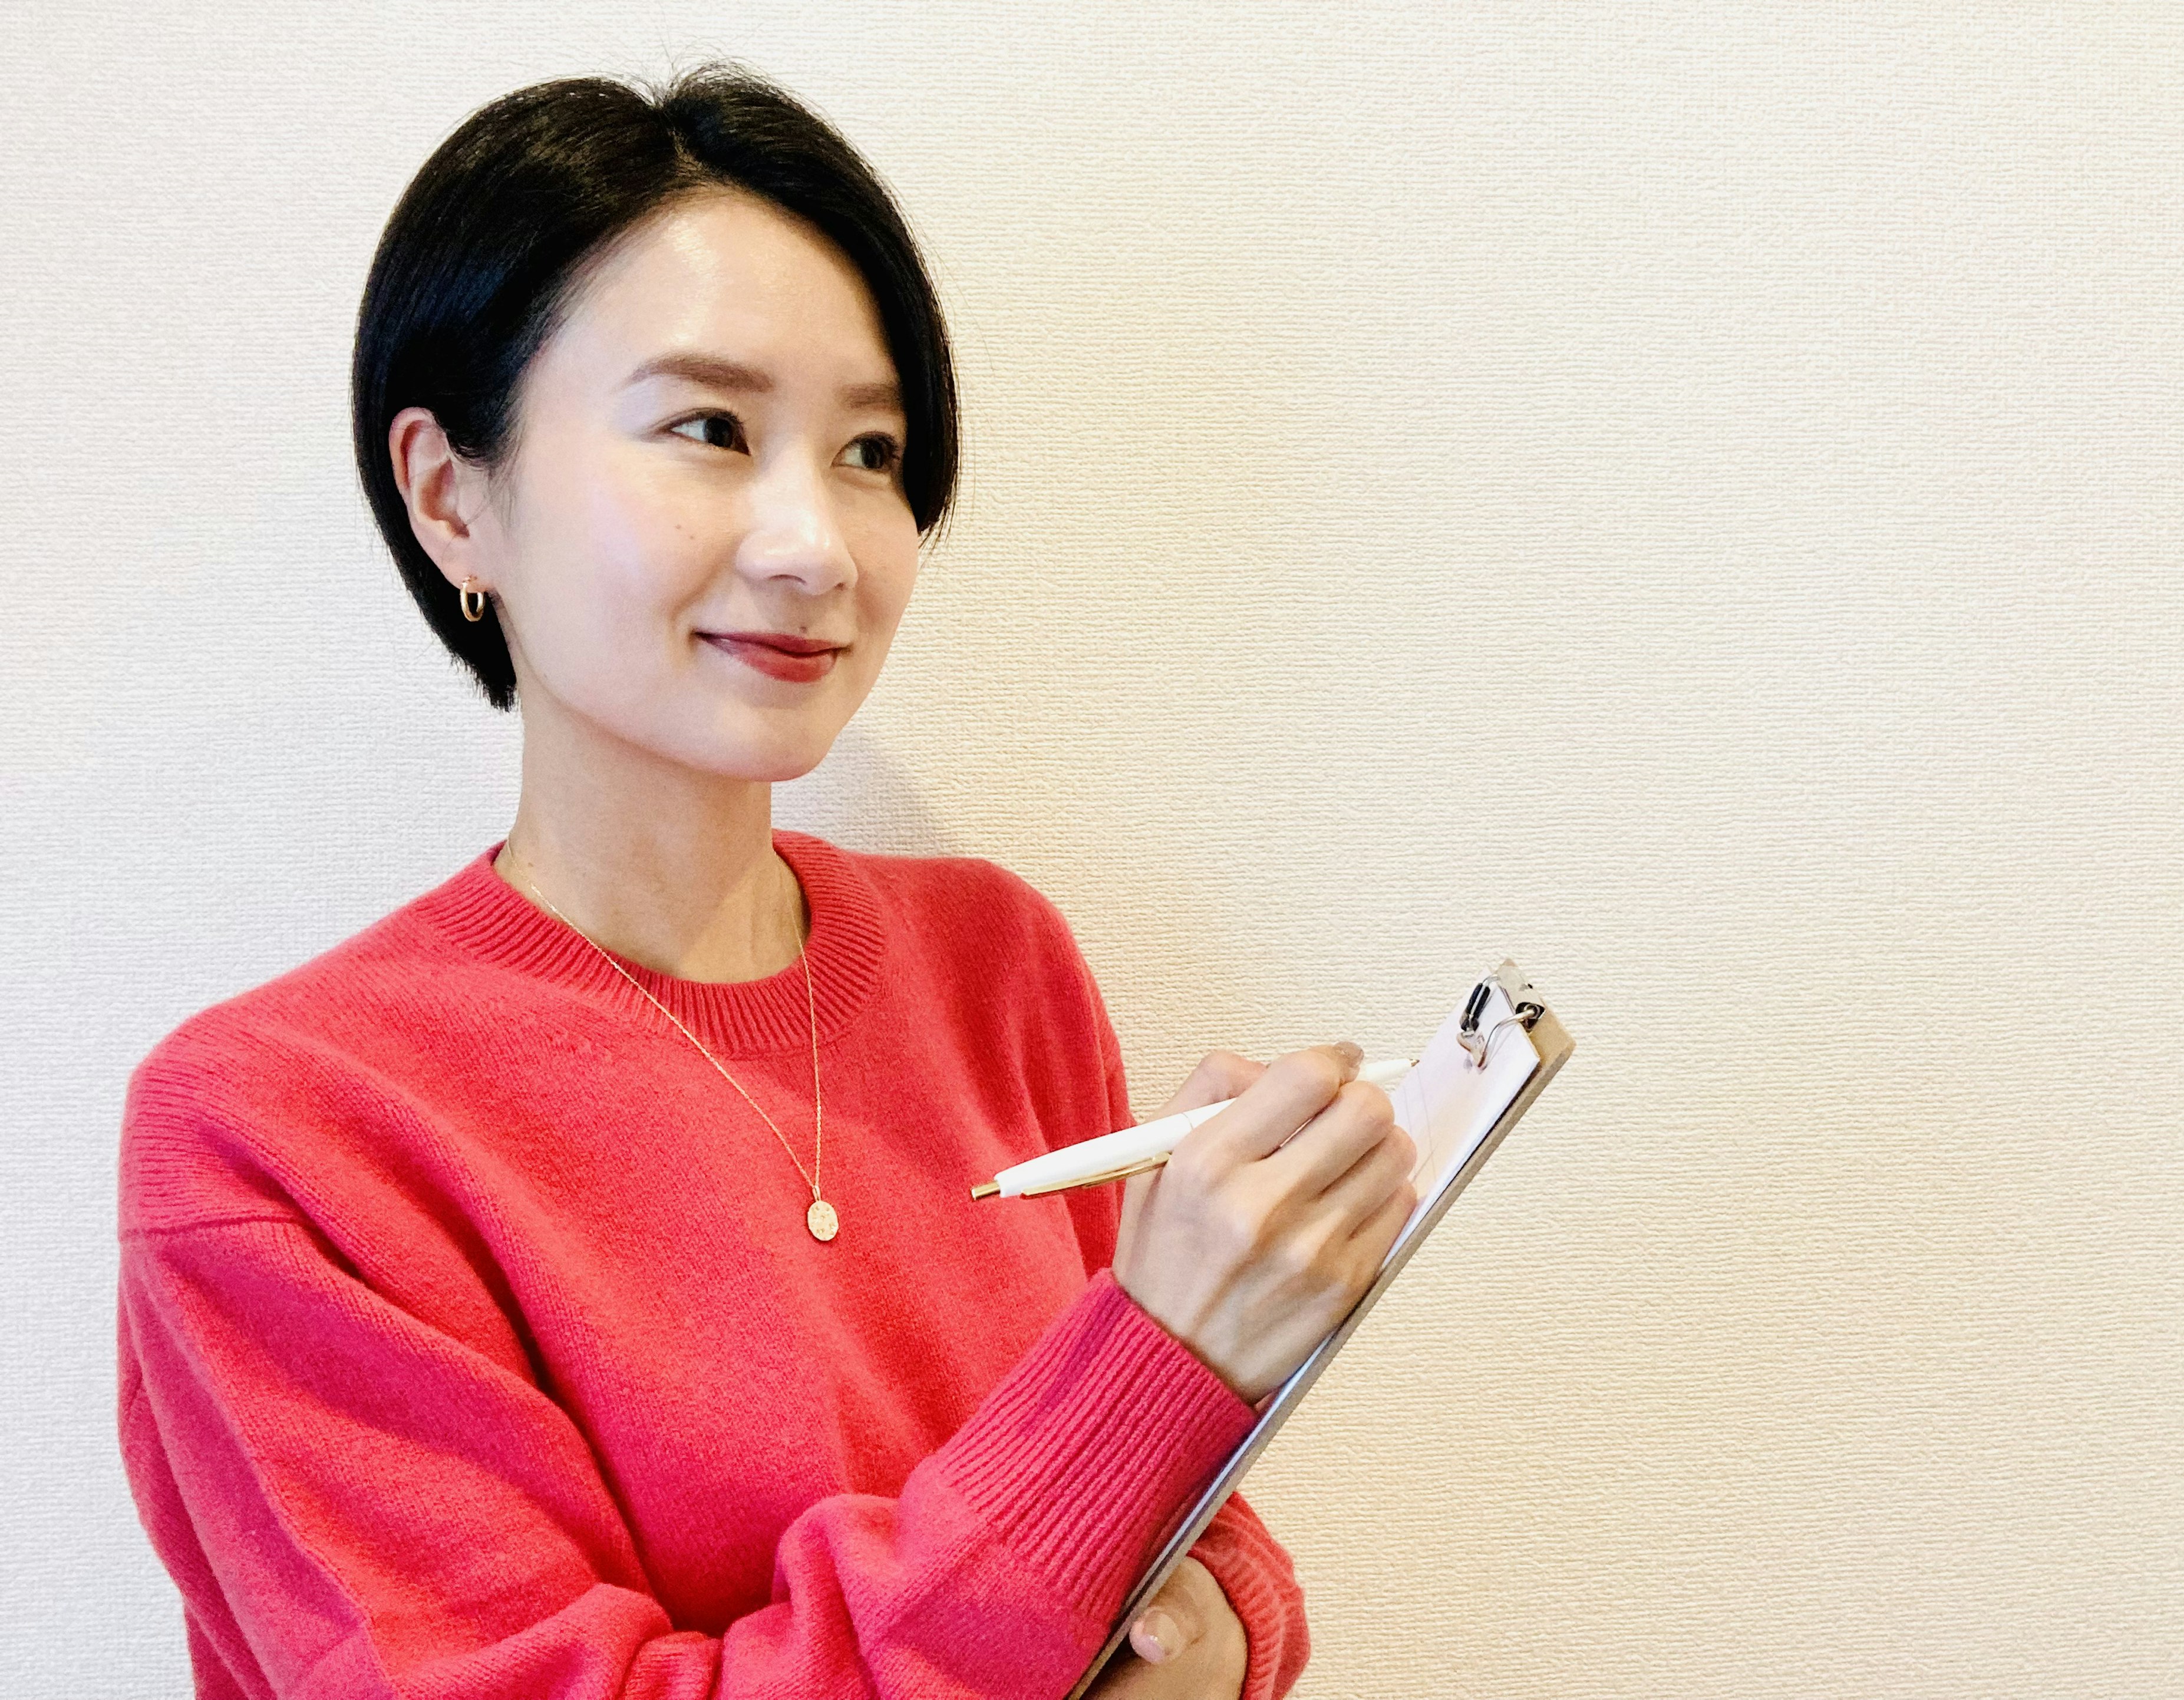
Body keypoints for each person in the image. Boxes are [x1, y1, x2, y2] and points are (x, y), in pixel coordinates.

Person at [115, 65, 1419, 1700]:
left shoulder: (992, 963)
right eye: (712, 429)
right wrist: (1163, 1364)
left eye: (871, 450)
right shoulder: (278, 1131)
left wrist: (1224, 1633)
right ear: (455, 495)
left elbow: (1201, 1540)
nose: (821, 543)